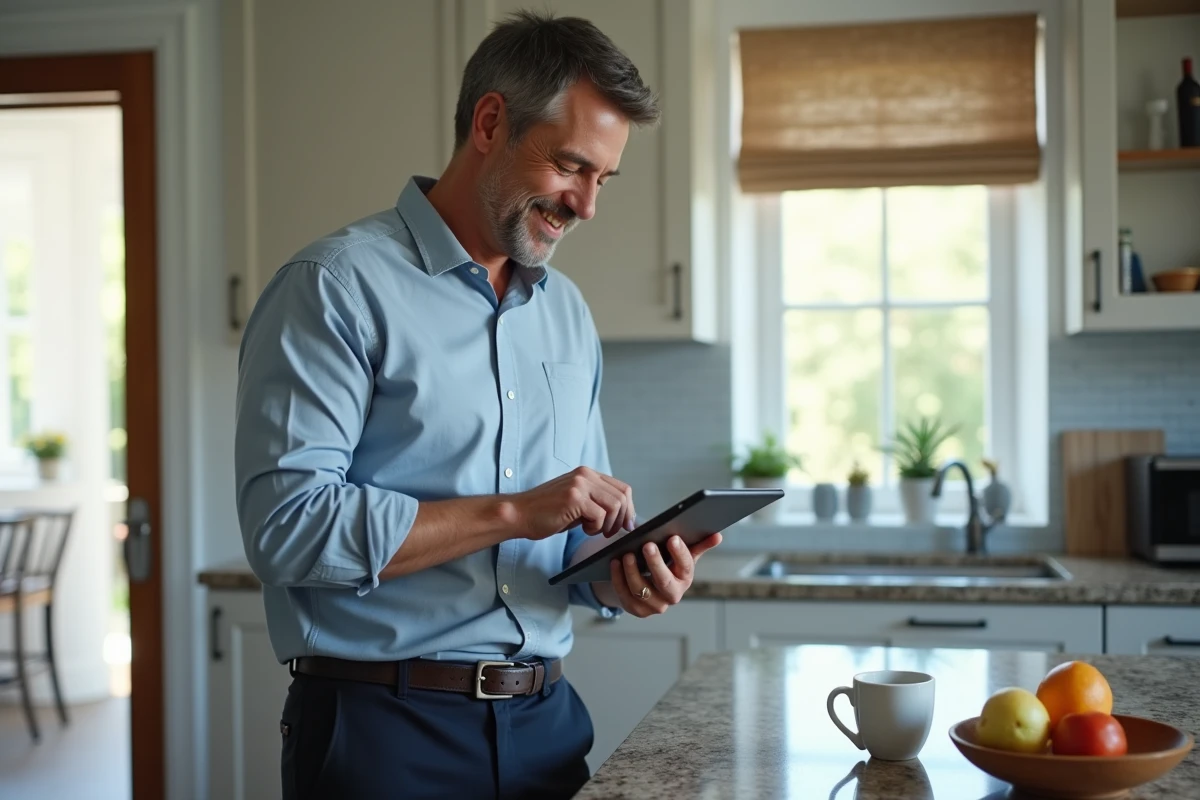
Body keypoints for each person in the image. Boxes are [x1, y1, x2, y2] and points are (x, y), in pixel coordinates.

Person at [234, 10, 723, 800]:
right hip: (382, 735)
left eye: (604, 178)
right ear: (491, 122)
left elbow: (562, 546)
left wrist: (623, 578)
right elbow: (287, 530)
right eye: (571, 166)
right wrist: (509, 513)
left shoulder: (565, 313)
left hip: (546, 727)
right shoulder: (333, 288)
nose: (588, 205)